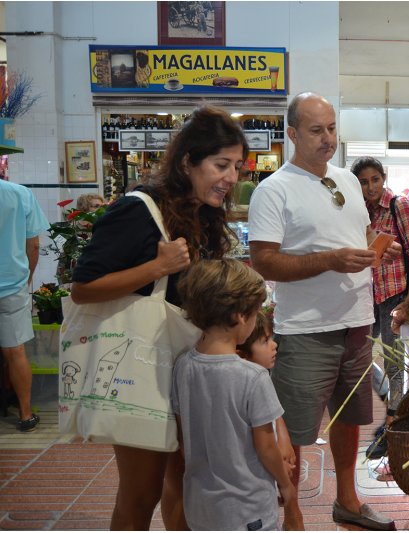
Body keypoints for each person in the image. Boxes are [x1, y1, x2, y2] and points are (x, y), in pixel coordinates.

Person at [70, 105, 247, 530]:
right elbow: (83, 287)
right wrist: (156, 267)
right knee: (140, 493)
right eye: (221, 164)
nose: (231, 177)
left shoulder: (202, 214)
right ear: (188, 162)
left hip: (183, 369)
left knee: (186, 483)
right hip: (140, 370)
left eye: (238, 166)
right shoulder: (139, 209)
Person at [248, 92, 398, 531]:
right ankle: (291, 514)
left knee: (350, 419)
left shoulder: (347, 180)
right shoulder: (273, 190)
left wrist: (375, 249)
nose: (327, 138)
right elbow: (264, 261)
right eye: (316, 130)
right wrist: (331, 260)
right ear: (293, 134)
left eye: (332, 128)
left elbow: (358, 235)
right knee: (294, 430)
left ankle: (347, 501)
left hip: (357, 322)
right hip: (305, 329)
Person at [172, 259, 295, 531]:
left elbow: (183, 437)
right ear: (240, 316)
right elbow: (266, 448)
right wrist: (286, 484)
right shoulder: (253, 376)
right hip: (249, 508)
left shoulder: (183, 365)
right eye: (256, 311)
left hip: (200, 505)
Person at [352, 156, 409, 460]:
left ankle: (393, 426)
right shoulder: (360, 212)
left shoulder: (399, 205)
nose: (371, 187)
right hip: (366, 297)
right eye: (363, 182)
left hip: (396, 296)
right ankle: (392, 405)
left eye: (375, 179)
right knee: (356, 357)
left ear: (384, 178)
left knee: (395, 364)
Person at [0, 178, 49, 432]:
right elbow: (34, 244)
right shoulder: (20, 194)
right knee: (15, 351)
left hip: (13, 283)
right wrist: (27, 277)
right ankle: (26, 414)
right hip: (12, 284)